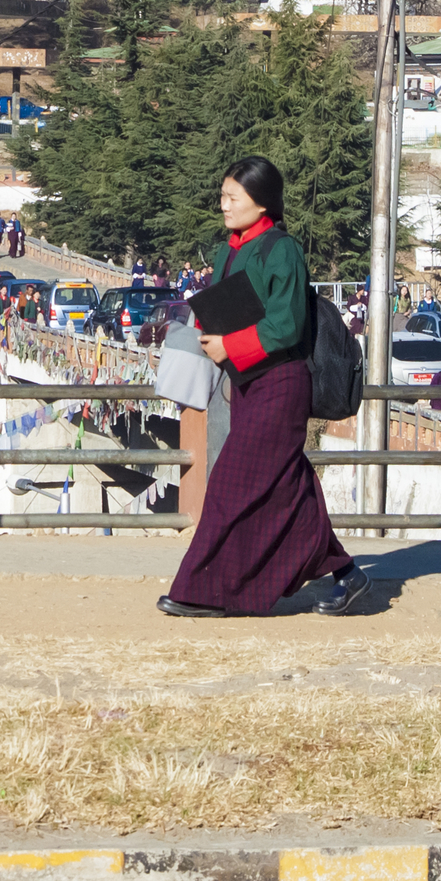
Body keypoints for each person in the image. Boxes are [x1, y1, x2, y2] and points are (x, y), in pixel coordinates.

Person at [158, 156, 365, 619]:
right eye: (224, 195)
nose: (223, 205)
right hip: (245, 384)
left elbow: (287, 325)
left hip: (281, 385)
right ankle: (349, 574)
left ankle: (204, 589)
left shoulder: (283, 250)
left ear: (262, 202)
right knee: (288, 487)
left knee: (230, 483)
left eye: (233, 197)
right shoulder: (224, 251)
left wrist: (230, 344)